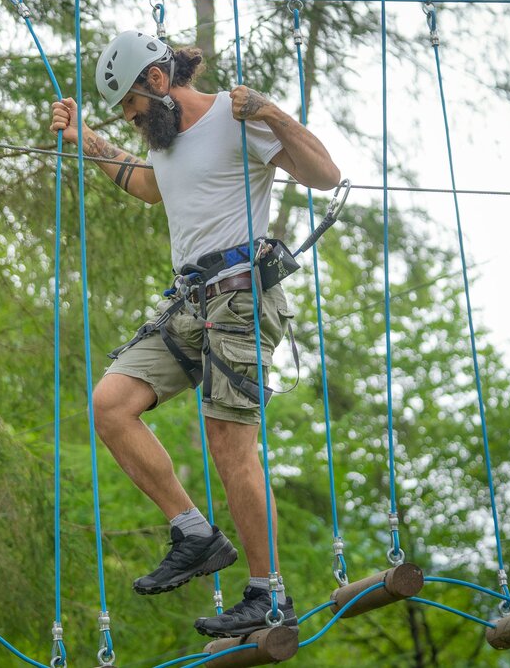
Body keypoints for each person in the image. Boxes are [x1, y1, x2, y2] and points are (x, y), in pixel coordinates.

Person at [47, 31, 341, 638]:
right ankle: (194, 532)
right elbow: (149, 186)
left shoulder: (236, 121)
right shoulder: (166, 142)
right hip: (189, 301)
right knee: (110, 404)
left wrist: (269, 111)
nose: (129, 119)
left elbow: (325, 174)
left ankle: (266, 593)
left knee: (229, 446)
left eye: (130, 105)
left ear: (157, 82)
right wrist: (87, 142)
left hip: (240, 300)